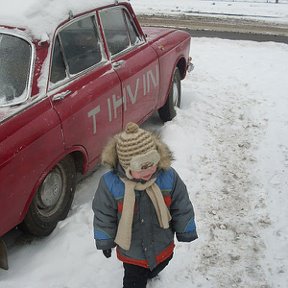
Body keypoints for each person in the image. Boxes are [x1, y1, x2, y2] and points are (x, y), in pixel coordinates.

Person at [92, 122, 198, 288]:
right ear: (127, 166)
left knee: (160, 265)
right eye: (141, 167)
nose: (148, 171)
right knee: (134, 281)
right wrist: (105, 240)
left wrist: (185, 229)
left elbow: (181, 205)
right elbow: (103, 215)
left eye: (152, 162)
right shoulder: (111, 185)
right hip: (132, 251)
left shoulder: (167, 177)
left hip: (162, 243)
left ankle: (153, 271)